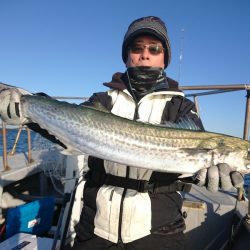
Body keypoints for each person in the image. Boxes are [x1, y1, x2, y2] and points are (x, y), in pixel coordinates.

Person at [0, 16, 244, 250]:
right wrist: (26, 112)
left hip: (159, 230)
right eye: (137, 47)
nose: (145, 54)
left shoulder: (181, 108)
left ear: (164, 58)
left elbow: (187, 171)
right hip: (95, 226)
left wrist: (202, 175)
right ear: (127, 56)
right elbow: (66, 131)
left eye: (154, 48)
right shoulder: (101, 100)